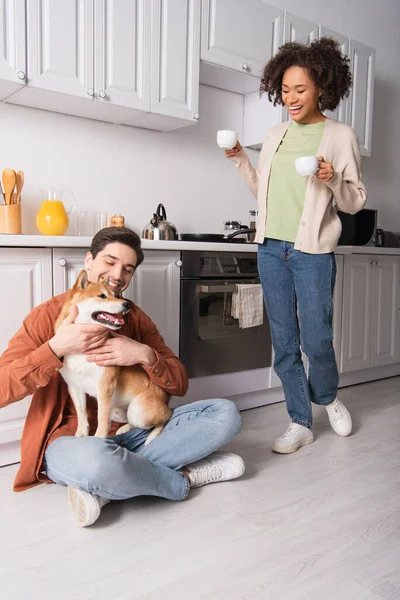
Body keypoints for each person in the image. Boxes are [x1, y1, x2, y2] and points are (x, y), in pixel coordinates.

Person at [0, 227, 244, 526]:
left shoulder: (134, 317)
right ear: (88, 261)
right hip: (72, 439)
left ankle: (111, 485)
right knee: (96, 462)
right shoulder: (47, 317)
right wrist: (55, 348)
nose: (117, 275)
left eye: (127, 269)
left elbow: (179, 383)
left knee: (225, 413)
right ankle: (183, 479)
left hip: (132, 428)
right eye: (109, 262)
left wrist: (144, 354)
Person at [225, 38, 367, 454]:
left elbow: (355, 200)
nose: (291, 98)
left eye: (300, 90)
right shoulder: (275, 135)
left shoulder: (340, 136)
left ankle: (327, 397)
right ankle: (299, 420)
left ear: (322, 87)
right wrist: (239, 158)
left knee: (317, 340)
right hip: (271, 248)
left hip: (313, 253)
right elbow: (262, 192)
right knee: (284, 343)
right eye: (285, 91)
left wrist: (331, 178)